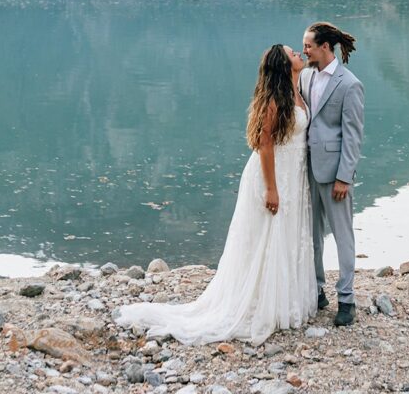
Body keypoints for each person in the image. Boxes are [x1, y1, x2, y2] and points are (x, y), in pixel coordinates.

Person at [115, 44, 317, 346]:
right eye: (292, 53)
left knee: (285, 237)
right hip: (272, 177)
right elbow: (264, 146)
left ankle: (283, 301)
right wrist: (272, 188)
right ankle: (259, 304)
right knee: (265, 238)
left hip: (294, 175)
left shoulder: (298, 90)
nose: (298, 54)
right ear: (282, 64)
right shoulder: (276, 100)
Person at [300, 21, 364, 327]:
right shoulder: (306, 76)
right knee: (313, 235)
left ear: (325, 47)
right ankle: (317, 290)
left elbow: (353, 136)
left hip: (335, 174)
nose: (305, 50)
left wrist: (344, 177)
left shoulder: (349, 84)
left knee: (343, 237)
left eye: (309, 45)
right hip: (308, 170)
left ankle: (347, 299)